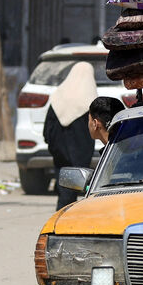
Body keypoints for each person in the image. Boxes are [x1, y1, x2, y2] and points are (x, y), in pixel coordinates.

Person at [43, 62, 97, 210]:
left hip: (60, 152)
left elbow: (48, 127)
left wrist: (53, 145)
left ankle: (63, 215)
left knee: (64, 188)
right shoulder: (89, 98)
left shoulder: (58, 95)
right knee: (74, 190)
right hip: (80, 153)